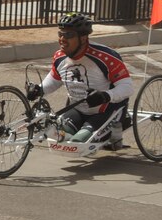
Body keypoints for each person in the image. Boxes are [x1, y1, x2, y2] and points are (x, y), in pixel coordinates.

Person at [26, 12, 134, 149]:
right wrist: (39, 89)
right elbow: (55, 79)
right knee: (54, 135)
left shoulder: (105, 57)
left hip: (104, 111)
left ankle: (120, 124)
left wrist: (105, 96)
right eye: (60, 34)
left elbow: (127, 87)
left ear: (83, 38)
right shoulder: (60, 57)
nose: (62, 39)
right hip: (77, 109)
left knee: (78, 143)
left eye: (69, 35)